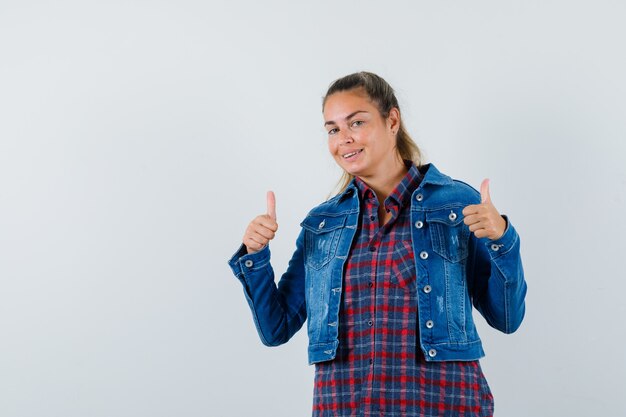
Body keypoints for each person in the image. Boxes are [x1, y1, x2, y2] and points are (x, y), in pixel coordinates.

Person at [228, 72, 527, 417]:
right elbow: (275, 329)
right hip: (346, 405)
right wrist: (255, 256)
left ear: (392, 120)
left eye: (356, 122)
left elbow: (508, 317)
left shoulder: (457, 205)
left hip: (442, 404)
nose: (344, 139)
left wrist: (502, 239)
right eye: (333, 129)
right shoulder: (323, 224)